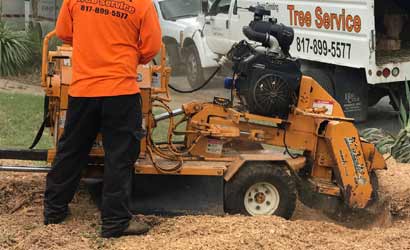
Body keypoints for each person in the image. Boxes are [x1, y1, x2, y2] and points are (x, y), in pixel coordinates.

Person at [43, 0, 161, 238]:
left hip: (83, 89)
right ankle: (115, 222)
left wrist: (92, 47)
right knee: (119, 157)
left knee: (71, 151)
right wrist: (126, 57)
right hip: (121, 91)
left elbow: (65, 33)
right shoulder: (142, 4)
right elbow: (151, 47)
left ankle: (54, 212)